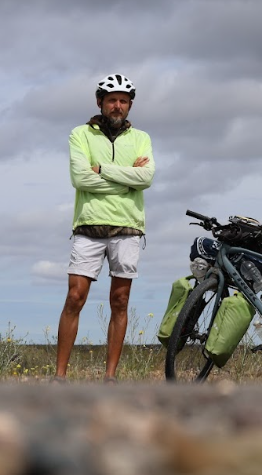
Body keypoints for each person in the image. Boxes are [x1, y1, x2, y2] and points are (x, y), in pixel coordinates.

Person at [54, 73, 155, 383]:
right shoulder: (80, 134)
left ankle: (109, 376)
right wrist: (126, 182)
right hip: (89, 225)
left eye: (124, 101)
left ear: (130, 105)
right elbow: (80, 179)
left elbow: (147, 178)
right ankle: (59, 376)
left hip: (128, 227)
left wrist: (105, 171)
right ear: (100, 101)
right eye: (112, 100)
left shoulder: (141, 138)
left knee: (120, 300)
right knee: (75, 297)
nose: (117, 106)